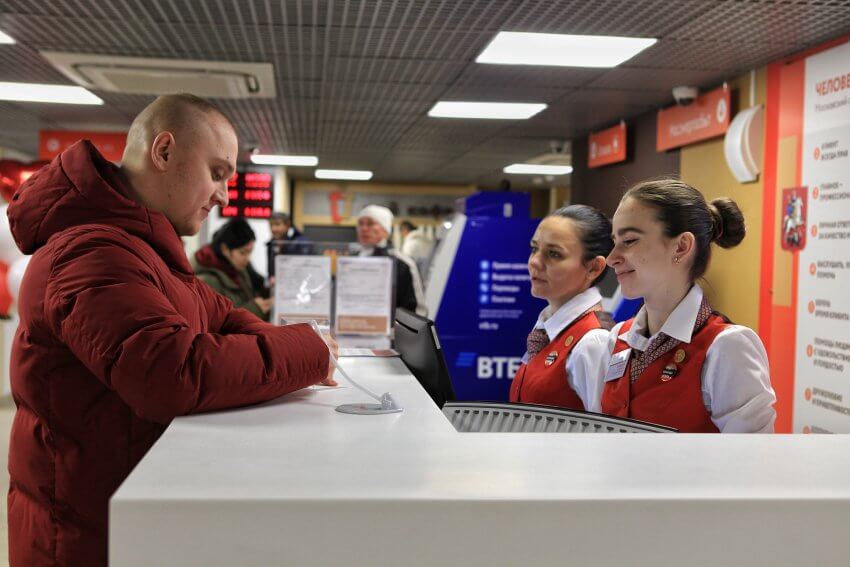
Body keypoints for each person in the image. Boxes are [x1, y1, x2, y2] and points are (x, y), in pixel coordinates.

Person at [6, 93, 336, 567]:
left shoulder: (140, 248)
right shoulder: (91, 252)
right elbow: (170, 373)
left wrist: (302, 343)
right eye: (217, 172)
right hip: (84, 538)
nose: (223, 195)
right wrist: (311, 351)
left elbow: (220, 315)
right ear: (163, 152)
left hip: (122, 515)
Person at [601, 178, 776, 432]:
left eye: (628, 241)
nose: (611, 258)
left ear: (681, 246)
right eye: (614, 241)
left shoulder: (726, 347)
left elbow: (749, 463)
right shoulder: (618, 338)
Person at [509, 205, 614, 411]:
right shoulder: (548, 327)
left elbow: (604, 435)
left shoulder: (594, 341)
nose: (534, 262)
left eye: (554, 254)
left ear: (594, 267)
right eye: (534, 249)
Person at [193, 218, 272, 320]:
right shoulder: (206, 281)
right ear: (225, 249)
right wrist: (254, 309)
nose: (248, 259)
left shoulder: (237, 267)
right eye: (243, 252)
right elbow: (215, 324)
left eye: (250, 252)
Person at [354, 205, 425, 315]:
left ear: (385, 230)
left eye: (370, 224)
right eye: (360, 224)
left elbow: (418, 310)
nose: (363, 228)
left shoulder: (403, 264)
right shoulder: (351, 260)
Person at [266, 211, 304, 281]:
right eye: (271, 225)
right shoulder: (271, 244)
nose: (273, 229)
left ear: (287, 225)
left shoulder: (296, 244)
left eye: (277, 224)